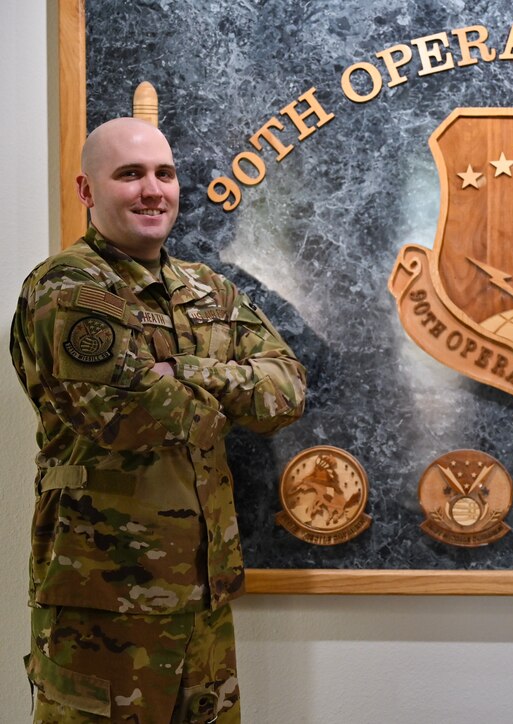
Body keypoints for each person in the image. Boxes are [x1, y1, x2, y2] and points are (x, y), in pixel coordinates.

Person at [10, 117, 307, 722]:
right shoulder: (68, 289)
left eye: (164, 174)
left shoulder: (206, 289)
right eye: (130, 174)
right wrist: (225, 394)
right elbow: (136, 417)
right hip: (104, 608)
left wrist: (190, 370)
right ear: (86, 190)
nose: (153, 189)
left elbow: (287, 391)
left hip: (203, 601)